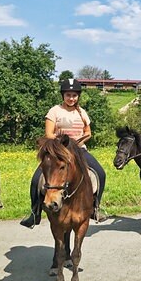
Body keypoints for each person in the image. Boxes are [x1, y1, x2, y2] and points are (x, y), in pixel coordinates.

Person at [20, 78, 108, 228]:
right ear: (63, 96)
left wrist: (80, 140)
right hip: (58, 150)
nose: (71, 98)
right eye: (68, 95)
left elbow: (88, 132)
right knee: (36, 179)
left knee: (100, 173)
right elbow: (48, 134)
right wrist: (62, 142)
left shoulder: (82, 112)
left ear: (78, 96)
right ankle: (35, 213)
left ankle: (95, 208)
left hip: (79, 150)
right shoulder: (55, 111)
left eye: (74, 95)